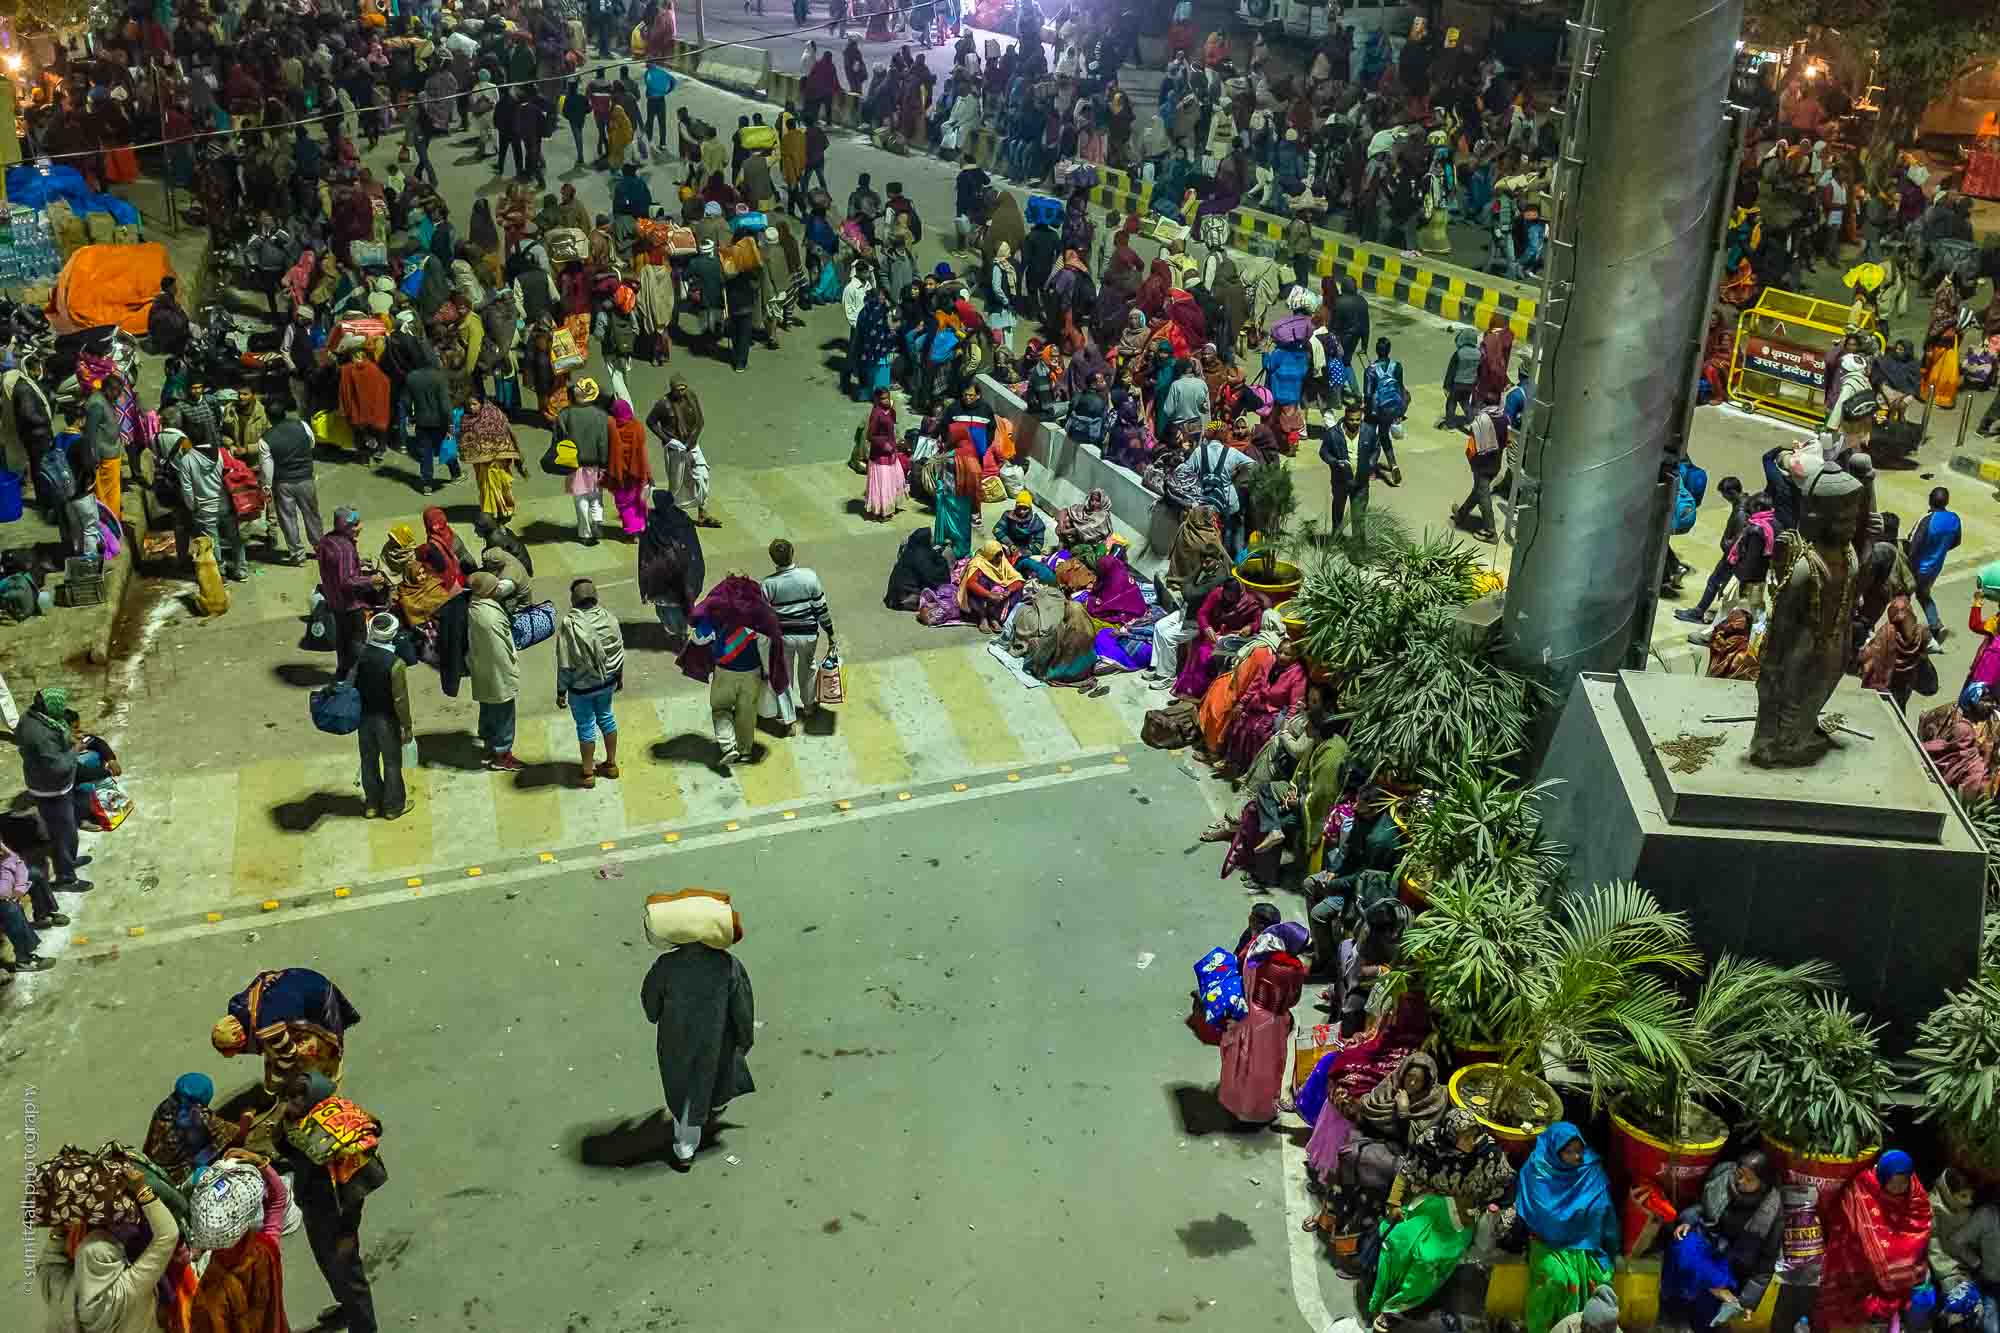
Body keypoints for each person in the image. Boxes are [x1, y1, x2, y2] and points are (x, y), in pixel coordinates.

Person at [1367, 1108, 1519, 1330]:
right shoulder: (1430, 1143)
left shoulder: (1488, 1154)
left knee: (1429, 1259)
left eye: (1474, 1135)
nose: (1472, 1141)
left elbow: (1506, 1186)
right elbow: (1407, 1171)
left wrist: (1502, 1220)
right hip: (1428, 1204)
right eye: (1465, 1137)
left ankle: (1395, 1307)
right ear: (1450, 1135)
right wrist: (1394, 1202)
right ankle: (1381, 1294)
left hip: (1461, 1216)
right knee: (1397, 1243)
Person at [640, 890, 756, 1169]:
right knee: (711, 1080)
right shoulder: (727, 965)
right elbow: (742, 1006)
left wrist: (656, 1016)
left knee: (683, 1089)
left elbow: (650, 1002)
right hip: (715, 1039)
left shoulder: (666, 966)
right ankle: (705, 1119)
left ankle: (684, 1147)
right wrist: (744, 1037)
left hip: (675, 1040)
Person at [275, 1072, 386, 1333]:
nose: (288, 1105)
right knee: (328, 1265)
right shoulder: (300, 1128)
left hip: (337, 1216)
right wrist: (286, 1122)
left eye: (295, 1100)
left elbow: (356, 1192)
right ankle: (347, 1309)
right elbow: (285, 1150)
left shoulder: (341, 1143)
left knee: (348, 1272)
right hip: (314, 1206)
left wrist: (348, 1231)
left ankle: (364, 1327)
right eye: (288, 1098)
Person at [35, 1163, 179, 1333]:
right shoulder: (128, 1288)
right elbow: (168, 1235)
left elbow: (48, 1264)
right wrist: (142, 1189)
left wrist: (64, 1224)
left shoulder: (61, 1288)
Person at [1516, 1123, 1622, 1333]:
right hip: (1547, 1243)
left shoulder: (1590, 1172)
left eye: (1579, 1150)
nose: (1577, 1157)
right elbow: (1542, 1216)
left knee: (1599, 1278)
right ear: (1555, 1151)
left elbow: (1605, 1212)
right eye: (1569, 1152)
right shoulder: (1538, 1171)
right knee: (1556, 1279)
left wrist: (1613, 1247)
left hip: (1586, 1244)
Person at [1663, 1152, 1783, 1332]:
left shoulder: (1772, 1210)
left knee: (1705, 1317)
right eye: (1739, 1174)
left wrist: (1748, 1301)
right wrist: (1688, 1220)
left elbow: (1766, 1262)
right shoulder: (1721, 1178)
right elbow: (1700, 1207)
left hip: (1729, 1264)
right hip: (1704, 1245)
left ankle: (1715, 1290)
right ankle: (1715, 1289)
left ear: (1763, 1184)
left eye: (1749, 1180)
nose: (1740, 1182)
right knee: (1682, 1246)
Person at [1816, 1150, 1933, 1333]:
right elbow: (1845, 1222)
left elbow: (1920, 1232)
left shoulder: (1917, 1198)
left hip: (1902, 1270)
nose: (1898, 1188)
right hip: (1861, 1261)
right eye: (1893, 1183)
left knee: (1917, 1289)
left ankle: (1891, 1309)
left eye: (1903, 1183)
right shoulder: (1861, 1188)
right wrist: (1870, 1247)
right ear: (1882, 1176)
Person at [681, 575, 790, 767]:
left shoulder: (716, 614)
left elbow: (698, 639)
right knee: (747, 713)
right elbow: (769, 646)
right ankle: (746, 752)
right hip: (752, 673)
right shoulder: (760, 616)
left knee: (721, 708)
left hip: (725, 672)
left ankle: (728, 746)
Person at [14, 687, 92, 890]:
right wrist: (75, 750)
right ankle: (66, 877)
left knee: (68, 830)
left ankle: (69, 861)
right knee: (63, 834)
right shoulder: (40, 735)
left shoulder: (32, 718)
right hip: (51, 790)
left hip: (53, 786)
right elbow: (58, 767)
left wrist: (68, 740)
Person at [557, 579, 626, 788]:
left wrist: (561, 691)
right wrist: (618, 678)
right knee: (606, 718)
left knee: (585, 726)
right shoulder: (610, 619)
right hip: (607, 682)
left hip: (581, 688)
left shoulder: (570, 625)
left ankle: (588, 774)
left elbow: (565, 664)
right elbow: (619, 651)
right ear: (595, 596)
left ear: (573, 599)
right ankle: (611, 765)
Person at [761, 541, 836, 731]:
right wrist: (830, 632)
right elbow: (821, 608)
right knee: (808, 667)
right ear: (792, 553)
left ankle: (788, 719)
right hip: (808, 635)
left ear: (772, 559)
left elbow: (765, 616)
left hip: (783, 637)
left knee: (783, 675)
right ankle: (809, 706)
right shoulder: (809, 576)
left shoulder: (768, 584)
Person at [249, 400, 324, 566]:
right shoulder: (302, 425)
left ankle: (298, 555)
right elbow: (311, 443)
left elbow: (267, 469)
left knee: (287, 519)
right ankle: (320, 549)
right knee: (312, 515)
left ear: (268, 417)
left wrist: (267, 488)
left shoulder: (266, 439)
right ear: (285, 413)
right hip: (305, 479)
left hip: (283, 484)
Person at [355, 612, 413, 821]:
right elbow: (400, 700)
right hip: (386, 720)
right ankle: (393, 806)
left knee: (368, 760)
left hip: (363, 717)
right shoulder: (395, 663)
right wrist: (407, 726)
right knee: (391, 763)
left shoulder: (359, 654)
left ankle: (371, 804)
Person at [467, 571, 524, 772]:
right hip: (498, 673)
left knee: (489, 709)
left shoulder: (475, 606)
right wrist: (512, 672)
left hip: (483, 671)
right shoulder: (490, 617)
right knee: (504, 714)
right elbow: (502, 651)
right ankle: (502, 755)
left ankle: (490, 746)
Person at [640, 488, 705, 649]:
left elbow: (645, 553)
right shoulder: (683, 520)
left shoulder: (651, 523)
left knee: (665, 610)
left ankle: (674, 633)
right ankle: (681, 633)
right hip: (682, 577)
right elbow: (693, 548)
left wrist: (644, 583)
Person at [557, 377, 613, 544]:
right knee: (596, 495)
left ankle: (585, 532)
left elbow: (560, 437)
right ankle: (597, 520)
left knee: (580, 497)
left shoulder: (565, 414)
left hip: (574, 463)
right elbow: (603, 442)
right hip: (595, 463)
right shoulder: (601, 415)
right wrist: (604, 463)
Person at [458, 388, 525, 524]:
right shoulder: (466, 419)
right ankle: (491, 511)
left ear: (481, 403)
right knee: (485, 486)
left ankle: (504, 510)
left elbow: (506, 433)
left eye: (474, 404)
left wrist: (497, 453)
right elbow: (466, 440)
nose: (471, 408)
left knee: (500, 485)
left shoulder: (494, 415)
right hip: (481, 464)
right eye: (469, 405)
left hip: (498, 461)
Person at [1908, 487, 1962, 644]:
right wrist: (1940, 550)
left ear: (1930, 500)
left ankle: (1906, 631)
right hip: (1935, 568)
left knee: (1904, 595)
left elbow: (1913, 545)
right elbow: (1957, 541)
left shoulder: (1926, 520)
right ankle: (1936, 626)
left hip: (1918, 567)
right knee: (1923, 594)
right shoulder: (1954, 519)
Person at [959, 540, 1026, 632]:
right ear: (989, 554)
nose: (999, 558)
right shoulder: (977, 562)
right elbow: (971, 583)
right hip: (983, 594)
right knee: (982, 582)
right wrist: (989, 594)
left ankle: (995, 618)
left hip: (997, 593)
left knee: (1017, 589)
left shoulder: (1002, 561)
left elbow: (1019, 579)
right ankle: (982, 618)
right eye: (996, 555)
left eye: (1000, 555)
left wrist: (1008, 590)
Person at [886, 526, 952, 611]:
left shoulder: (910, 550)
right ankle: (909, 602)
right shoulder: (921, 557)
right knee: (938, 596)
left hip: (893, 595)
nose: (932, 540)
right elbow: (933, 578)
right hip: (903, 596)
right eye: (930, 537)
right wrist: (942, 559)